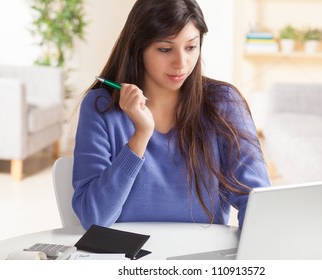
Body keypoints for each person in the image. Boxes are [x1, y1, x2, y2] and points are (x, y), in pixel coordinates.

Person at [72, 0, 270, 230]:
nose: (181, 63)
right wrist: (141, 136)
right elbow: (93, 218)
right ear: (138, 47)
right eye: (165, 49)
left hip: (200, 259)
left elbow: (258, 202)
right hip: (126, 260)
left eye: (191, 47)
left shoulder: (224, 102)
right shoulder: (100, 106)